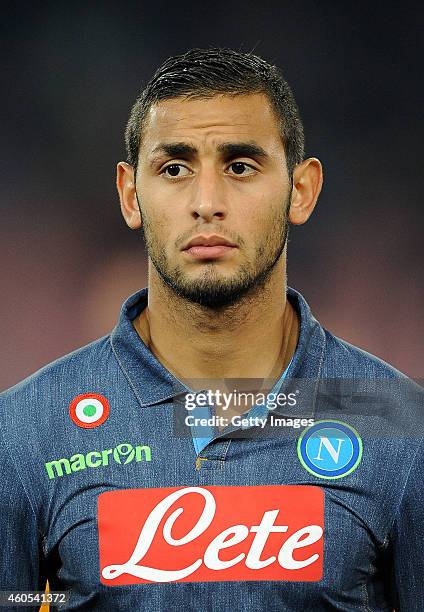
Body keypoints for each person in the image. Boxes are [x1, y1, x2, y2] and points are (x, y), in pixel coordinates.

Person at [0, 47, 423, 611]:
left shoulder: (398, 424)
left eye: (240, 166)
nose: (207, 203)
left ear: (302, 190)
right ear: (130, 195)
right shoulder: (26, 433)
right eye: (174, 168)